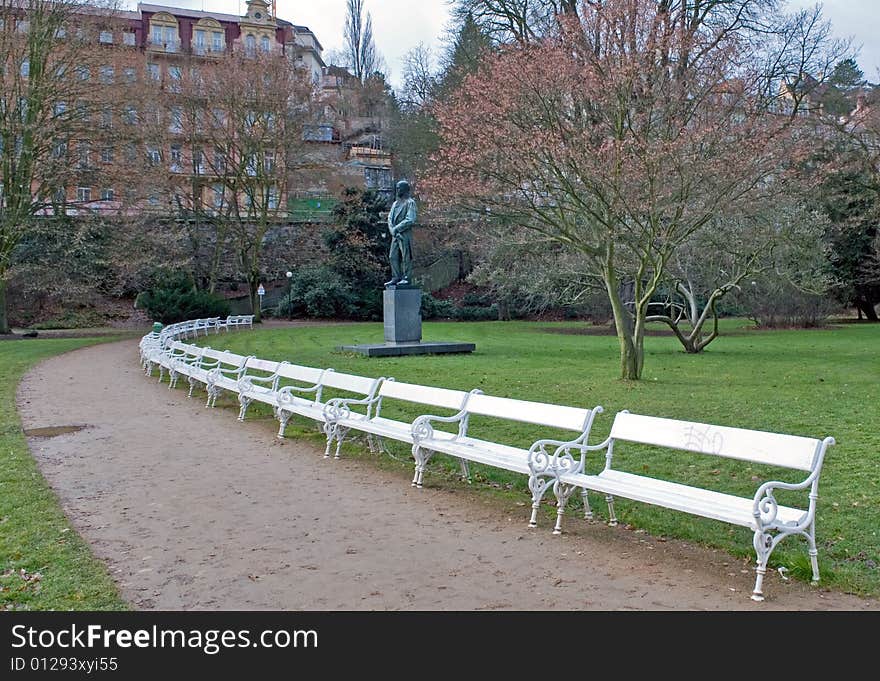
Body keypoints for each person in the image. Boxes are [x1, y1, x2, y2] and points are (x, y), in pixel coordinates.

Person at [385, 180, 417, 287]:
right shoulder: (395, 204)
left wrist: (397, 229)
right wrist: (392, 231)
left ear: (405, 189)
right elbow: (389, 218)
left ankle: (406, 278)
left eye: (399, 188)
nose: (397, 190)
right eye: (397, 188)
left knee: (406, 257)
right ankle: (396, 277)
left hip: (405, 234)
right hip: (395, 235)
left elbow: (410, 219)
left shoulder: (410, 203)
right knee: (392, 256)